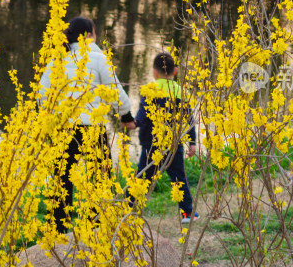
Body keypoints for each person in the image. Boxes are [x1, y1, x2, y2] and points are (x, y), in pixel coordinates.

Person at [39, 16, 135, 233]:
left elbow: (43, 95)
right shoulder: (97, 56)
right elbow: (114, 89)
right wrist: (126, 115)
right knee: (100, 175)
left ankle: (57, 229)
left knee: (61, 179)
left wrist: (49, 120)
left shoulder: (57, 59)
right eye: (95, 32)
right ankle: (97, 225)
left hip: (63, 128)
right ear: (89, 35)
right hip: (91, 126)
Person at [134, 52, 198, 223]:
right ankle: (187, 214)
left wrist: (133, 123)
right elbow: (189, 119)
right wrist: (192, 143)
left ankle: (130, 210)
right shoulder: (181, 91)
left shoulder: (149, 90)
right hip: (173, 143)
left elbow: (142, 116)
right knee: (179, 178)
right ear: (175, 71)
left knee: (141, 179)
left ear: (155, 72)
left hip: (150, 143)